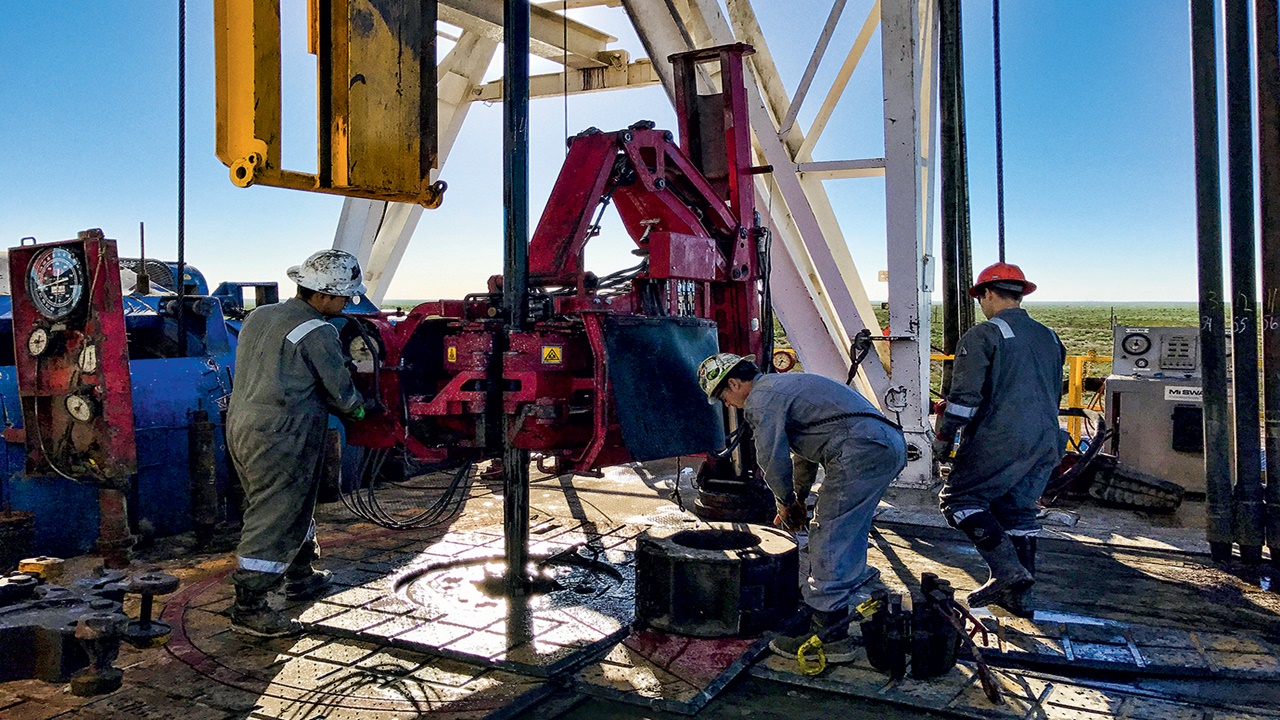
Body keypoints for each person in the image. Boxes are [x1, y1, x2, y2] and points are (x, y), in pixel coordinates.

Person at [697, 353, 907, 662]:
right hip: (884, 444)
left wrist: (783, 501)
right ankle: (835, 597)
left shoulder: (760, 399)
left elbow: (771, 456)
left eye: (724, 396)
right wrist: (797, 496)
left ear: (734, 382)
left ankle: (829, 634)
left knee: (830, 532)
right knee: (850, 527)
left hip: (859, 447)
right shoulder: (785, 387)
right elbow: (805, 454)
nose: (728, 404)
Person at [227, 249, 372, 637]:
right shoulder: (318, 331)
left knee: (290, 501)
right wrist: (363, 411)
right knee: (275, 511)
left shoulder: (260, 316)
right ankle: (250, 606)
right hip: (283, 431)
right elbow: (341, 392)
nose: (346, 304)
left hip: (243, 424)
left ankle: (301, 574)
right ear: (322, 295)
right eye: (344, 297)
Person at [933, 262, 1066, 614]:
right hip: (1047, 440)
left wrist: (944, 439)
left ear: (988, 294)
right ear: (1020, 294)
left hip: (1001, 438)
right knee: (1019, 513)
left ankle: (1005, 572)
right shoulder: (1050, 336)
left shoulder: (983, 336)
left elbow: (963, 399)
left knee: (960, 500)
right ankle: (1020, 599)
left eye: (981, 298)